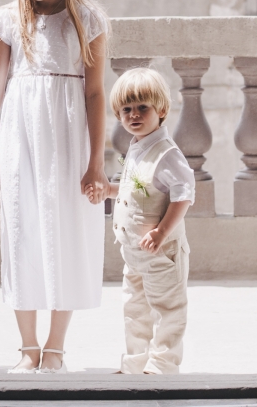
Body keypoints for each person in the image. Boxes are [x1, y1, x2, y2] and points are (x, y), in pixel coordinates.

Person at [0, 0, 109, 374]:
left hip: (68, 135)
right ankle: (27, 347)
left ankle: (56, 347)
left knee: (65, 230)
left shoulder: (89, 20)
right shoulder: (9, 19)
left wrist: (96, 164)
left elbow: (95, 94)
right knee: (22, 230)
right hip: (21, 133)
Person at [87, 67, 194, 374]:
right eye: (126, 109)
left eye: (142, 107)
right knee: (135, 309)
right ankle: (135, 362)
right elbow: (141, 188)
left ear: (161, 110)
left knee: (168, 310)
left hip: (162, 255)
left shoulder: (167, 153)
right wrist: (109, 189)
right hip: (134, 255)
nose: (133, 115)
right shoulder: (137, 146)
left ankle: (162, 364)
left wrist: (162, 231)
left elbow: (182, 195)